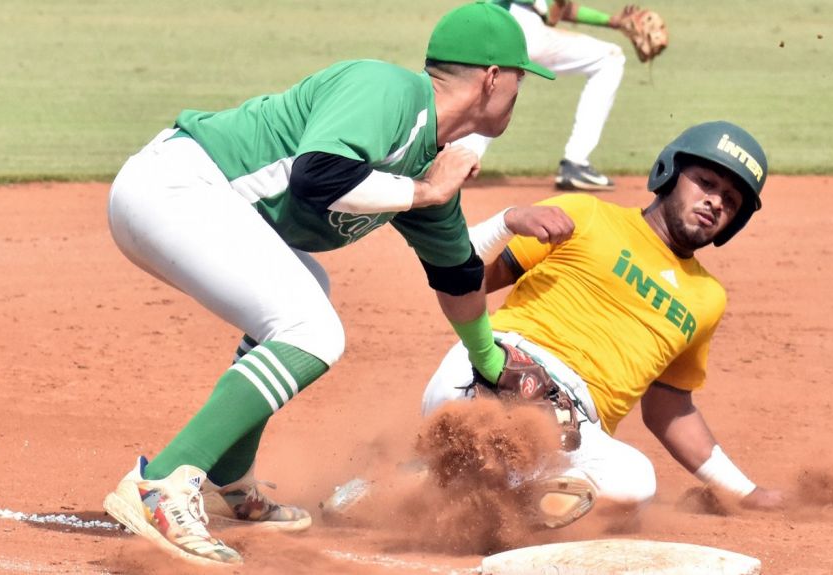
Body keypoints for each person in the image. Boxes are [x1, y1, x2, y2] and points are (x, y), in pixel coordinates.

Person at [100, 2, 557, 567]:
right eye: (520, 79)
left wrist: (489, 360)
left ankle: (226, 478)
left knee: (306, 290)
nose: (520, 91)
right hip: (174, 187)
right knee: (312, 329)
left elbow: (457, 271)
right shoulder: (387, 90)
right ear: (492, 78)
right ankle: (162, 484)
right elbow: (319, 175)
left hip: (192, 204)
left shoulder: (430, 161)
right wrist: (423, 193)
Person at [422, 120, 787, 529]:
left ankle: (439, 485)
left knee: (636, 479)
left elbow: (671, 409)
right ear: (668, 173)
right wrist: (507, 222)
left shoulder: (706, 298)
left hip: (570, 431)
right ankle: (466, 477)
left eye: (731, 201)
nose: (715, 201)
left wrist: (746, 492)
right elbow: (467, 276)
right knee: (496, 432)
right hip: (495, 366)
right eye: (705, 182)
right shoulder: (587, 215)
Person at [455, 0, 633, 191]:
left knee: (496, 97)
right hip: (521, 24)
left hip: (494, 26)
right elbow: (555, 8)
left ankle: (456, 161)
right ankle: (576, 162)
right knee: (610, 59)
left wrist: (612, 21)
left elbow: (556, 8)